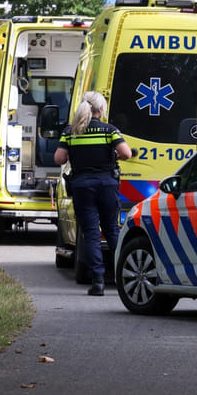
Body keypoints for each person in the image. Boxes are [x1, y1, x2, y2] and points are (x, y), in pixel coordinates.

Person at [55, 91, 132, 296]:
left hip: (82, 187)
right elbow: (126, 153)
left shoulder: (71, 132)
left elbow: (58, 158)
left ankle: (97, 281)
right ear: (101, 110)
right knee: (112, 230)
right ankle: (120, 277)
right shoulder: (109, 131)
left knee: (90, 233)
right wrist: (112, 155)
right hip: (107, 186)